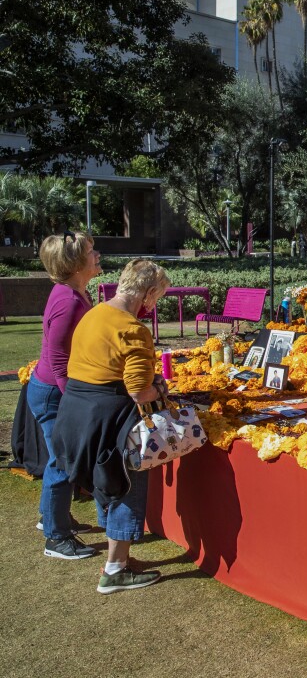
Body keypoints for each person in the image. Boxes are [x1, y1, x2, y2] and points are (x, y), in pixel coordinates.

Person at [52, 259, 171, 593]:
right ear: (148, 293)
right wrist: (159, 389)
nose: (154, 304)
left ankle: (116, 555)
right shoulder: (132, 329)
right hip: (111, 420)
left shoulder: (94, 314)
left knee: (106, 483)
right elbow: (138, 391)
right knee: (125, 486)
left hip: (76, 412)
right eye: (157, 297)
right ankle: (115, 570)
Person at [28, 231, 101, 559]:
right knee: (62, 461)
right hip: (54, 394)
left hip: (53, 391)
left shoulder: (74, 293)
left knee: (61, 459)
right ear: (74, 263)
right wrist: (75, 400)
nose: (96, 254)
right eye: (90, 251)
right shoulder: (69, 300)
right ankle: (56, 538)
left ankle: (53, 519)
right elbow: (58, 359)